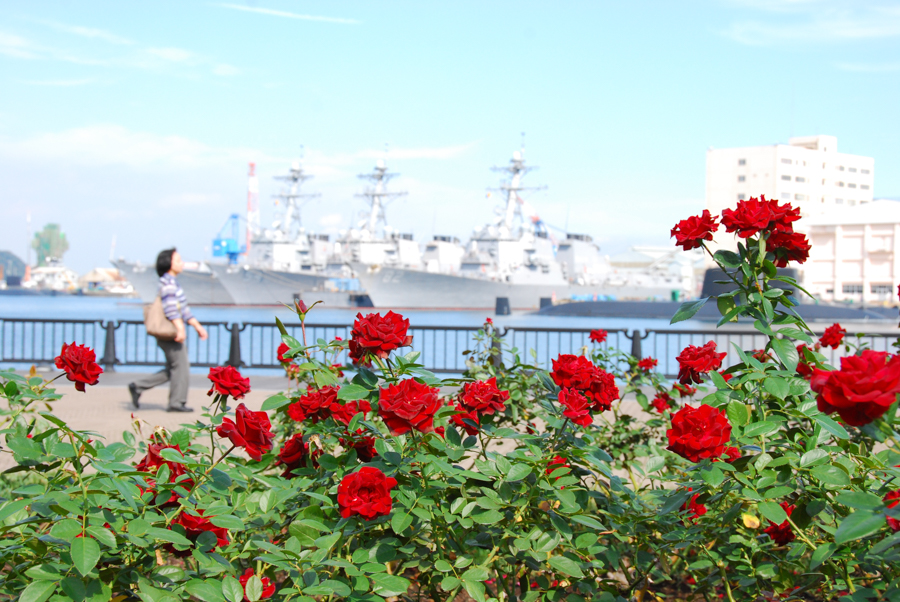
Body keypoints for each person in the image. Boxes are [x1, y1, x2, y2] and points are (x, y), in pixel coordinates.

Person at [129, 248, 208, 412]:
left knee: (175, 367)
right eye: (178, 260)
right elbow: (172, 309)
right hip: (170, 333)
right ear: (168, 264)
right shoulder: (169, 283)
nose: (182, 263)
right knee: (181, 366)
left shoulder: (170, 282)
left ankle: (138, 387)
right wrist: (181, 328)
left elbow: (184, 310)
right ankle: (176, 402)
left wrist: (197, 326)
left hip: (169, 332)